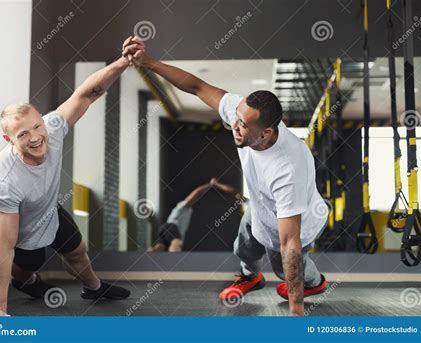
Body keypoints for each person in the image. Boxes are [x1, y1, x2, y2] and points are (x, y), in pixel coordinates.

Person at [122, 37, 328, 316]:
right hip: (261, 206)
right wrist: (148, 62)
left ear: (266, 133)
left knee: (287, 266)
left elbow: (289, 243)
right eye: (236, 118)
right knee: (244, 244)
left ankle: (314, 283)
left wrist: (296, 309)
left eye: (243, 125)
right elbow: (196, 86)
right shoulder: (242, 116)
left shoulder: (288, 168)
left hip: (298, 222)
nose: (234, 126)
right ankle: (251, 276)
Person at [0, 41, 144, 316]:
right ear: (8, 139)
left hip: (48, 210)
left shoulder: (53, 127)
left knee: (76, 249)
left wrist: (122, 62)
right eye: (22, 134)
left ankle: (93, 287)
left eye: (36, 126)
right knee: (27, 266)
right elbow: (2, 247)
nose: (35, 137)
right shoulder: (3, 179)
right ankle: (24, 281)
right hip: (22, 225)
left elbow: (85, 94)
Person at [149, 178, 245, 252]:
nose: (196, 199)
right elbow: (196, 193)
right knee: (176, 243)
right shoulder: (182, 206)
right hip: (171, 226)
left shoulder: (184, 209)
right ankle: (174, 265)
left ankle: (148, 255)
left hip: (166, 228)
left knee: (159, 247)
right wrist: (210, 185)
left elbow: (235, 193)